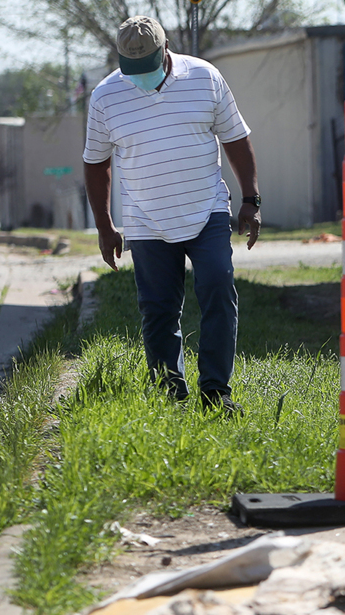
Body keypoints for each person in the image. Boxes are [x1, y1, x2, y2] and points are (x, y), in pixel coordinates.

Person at [83, 15, 260, 414]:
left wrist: (251, 199)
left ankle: (216, 391)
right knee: (159, 310)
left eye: (147, 65)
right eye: (133, 69)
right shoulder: (105, 96)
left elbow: (236, 137)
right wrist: (105, 226)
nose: (140, 76)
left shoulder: (204, 77)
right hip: (145, 219)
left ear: (166, 50)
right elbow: (96, 163)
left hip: (208, 209)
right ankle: (170, 395)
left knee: (218, 290)